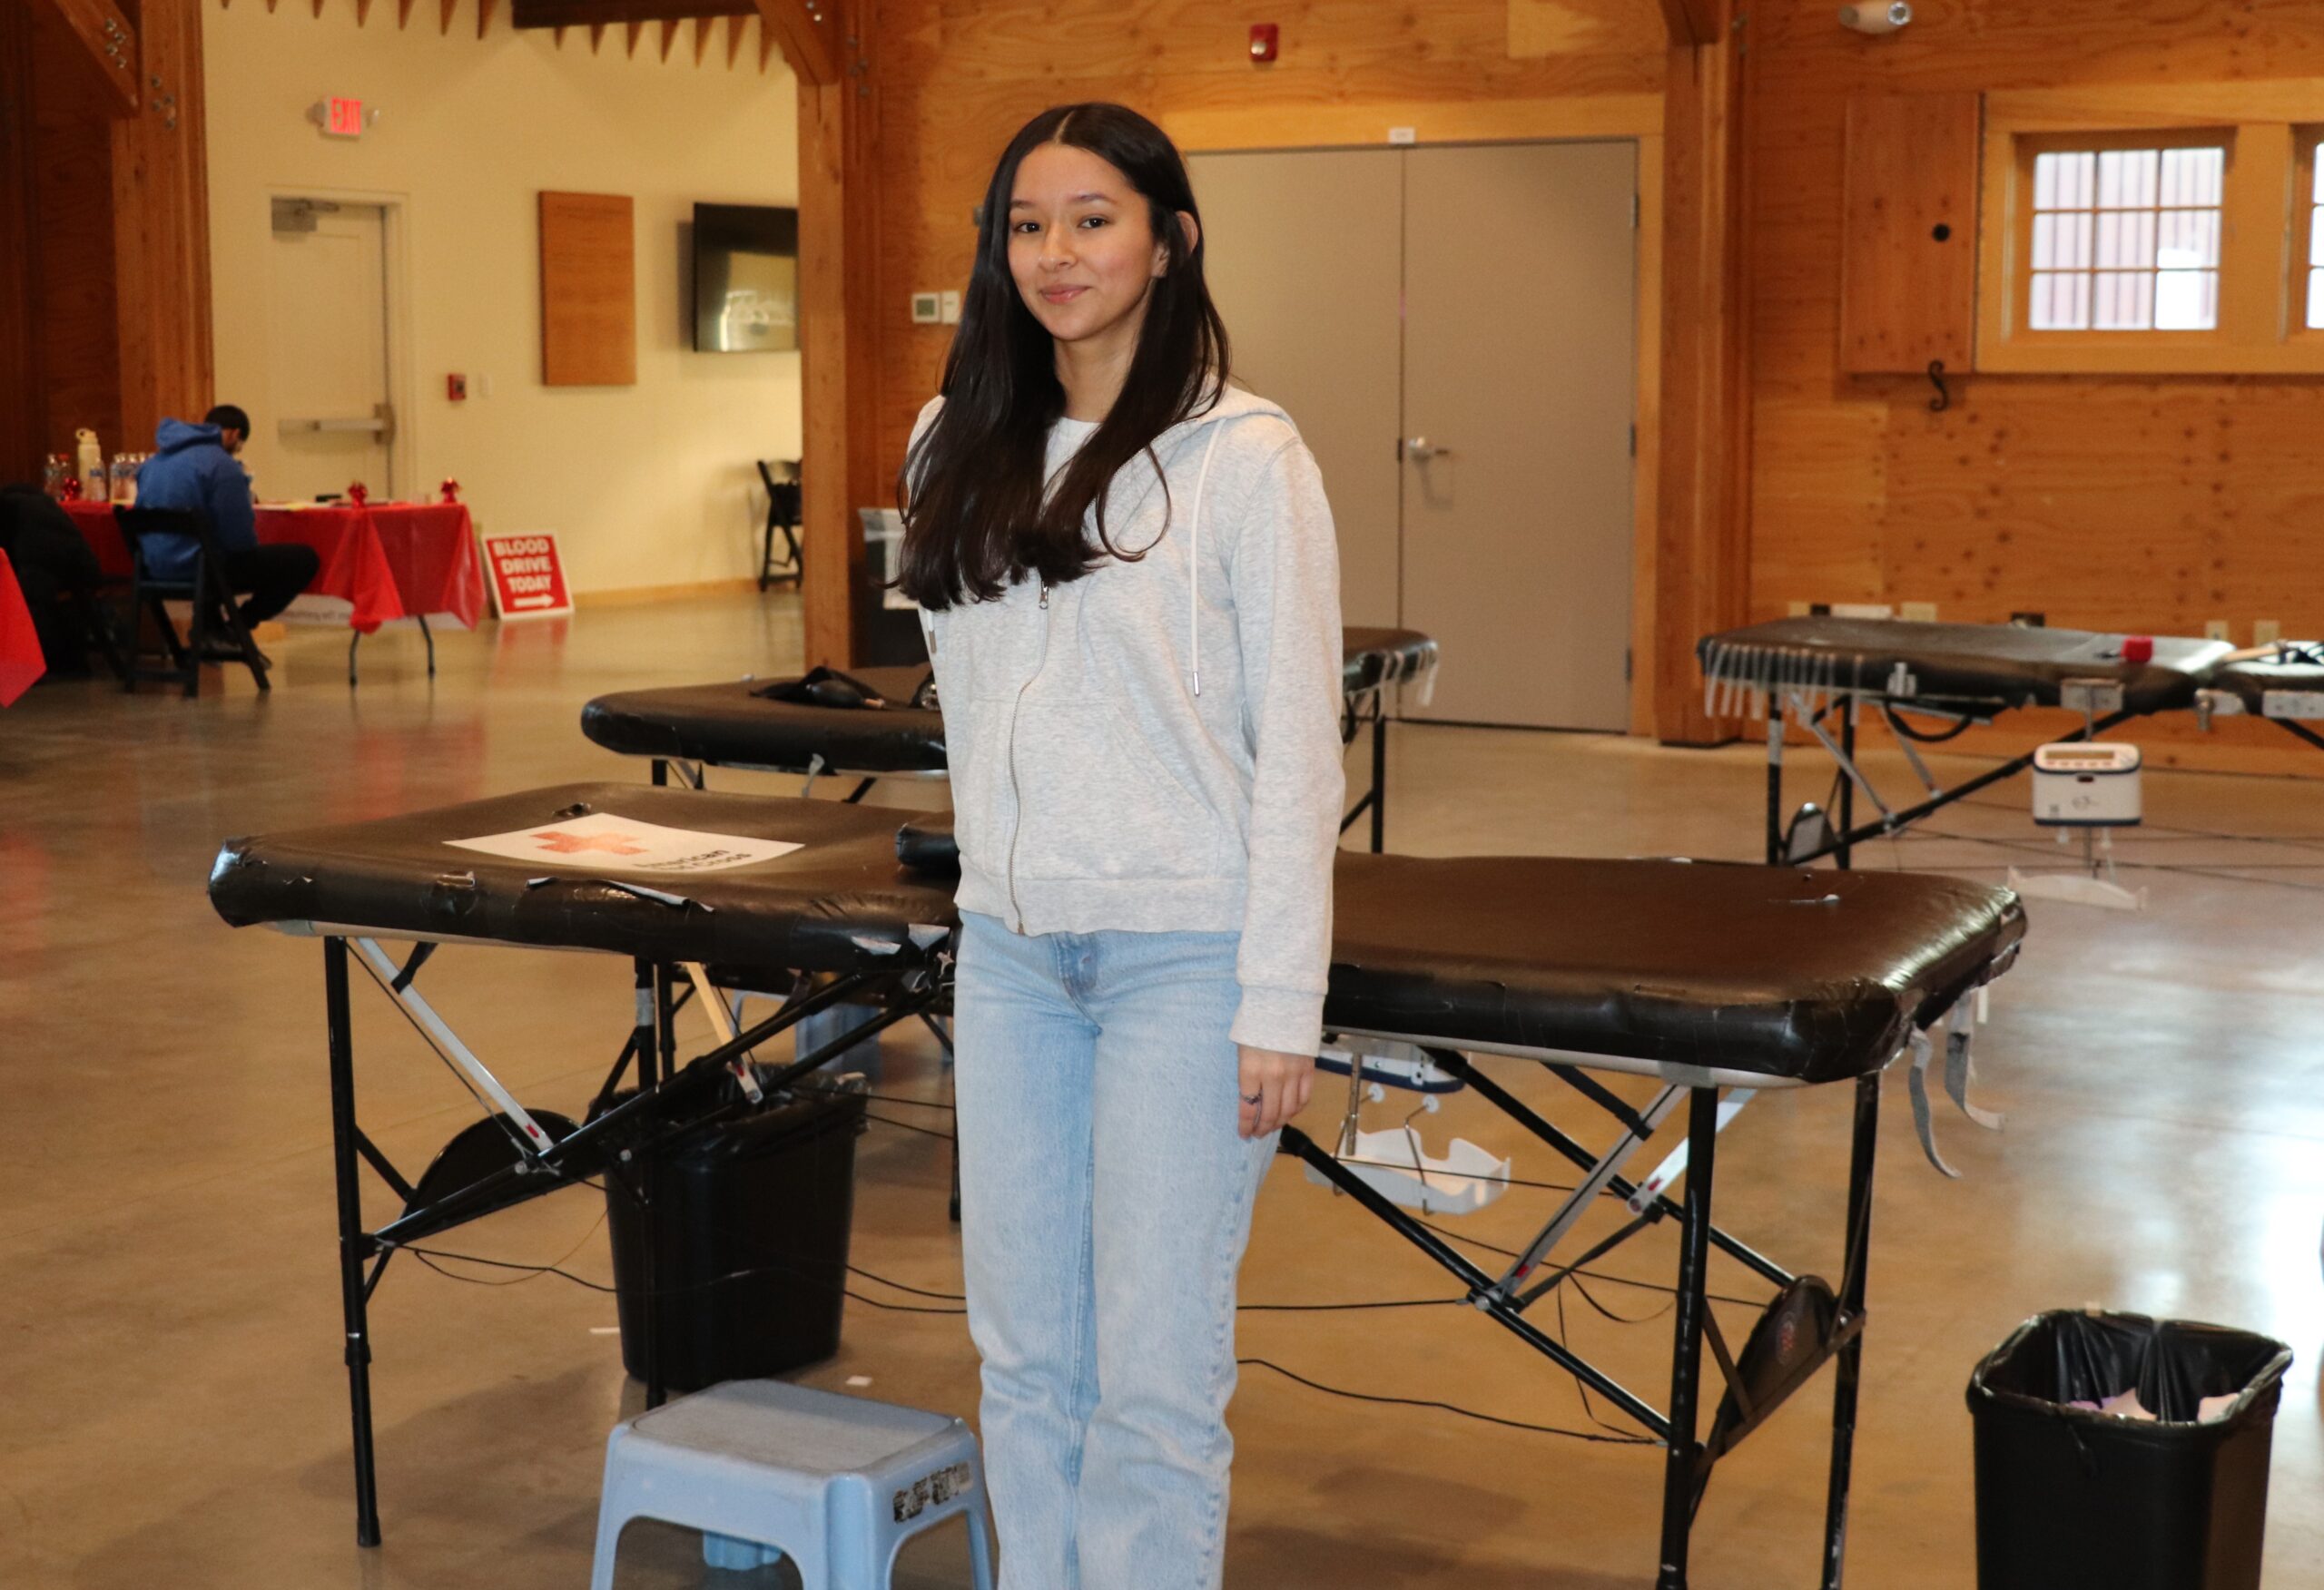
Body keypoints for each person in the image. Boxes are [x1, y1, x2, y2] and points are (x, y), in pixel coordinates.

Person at [898, 103, 1344, 1590]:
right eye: (1029, 223)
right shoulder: (949, 442)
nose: (1058, 253)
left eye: (1094, 218)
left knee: (1153, 1386)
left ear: (1170, 239)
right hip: (1016, 959)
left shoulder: (1243, 455)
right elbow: (972, 713)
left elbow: (1298, 751)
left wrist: (1281, 998)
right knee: (1025, 1362)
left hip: (1186, 966)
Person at [133, 405, 319, 628]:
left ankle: (211, 628)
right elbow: (239, 539)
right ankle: (239, 625)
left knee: (212, 551)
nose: (237, 451)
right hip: (200, 570)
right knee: (303, 560)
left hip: (152, 568)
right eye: (240, 446)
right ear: (235, 434)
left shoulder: (153, 464)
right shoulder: (222, 465)